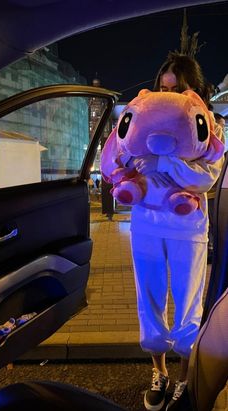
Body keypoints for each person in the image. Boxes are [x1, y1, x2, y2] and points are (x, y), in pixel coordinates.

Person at [129, 52, 224, 411]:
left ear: (194, 91)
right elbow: (127, 161)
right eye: (163, 87)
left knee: (189, 303)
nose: (168, 93)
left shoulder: (207, 125)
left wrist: (164, 160)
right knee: (149, 299)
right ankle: (160, 373)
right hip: (145, 224)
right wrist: (149, 162)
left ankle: (185, 378)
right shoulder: (143, 119)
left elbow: (206, 178)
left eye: (177, 88)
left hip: (188, 227)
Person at [207, 112, 226, 262]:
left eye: (223, 127)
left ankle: (214, 251)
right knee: (209, 226)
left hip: (216, 194)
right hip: (208, 194)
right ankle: (209, 251)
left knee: (215, 226)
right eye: (220, 126)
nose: (221, 130)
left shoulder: (222, 153)